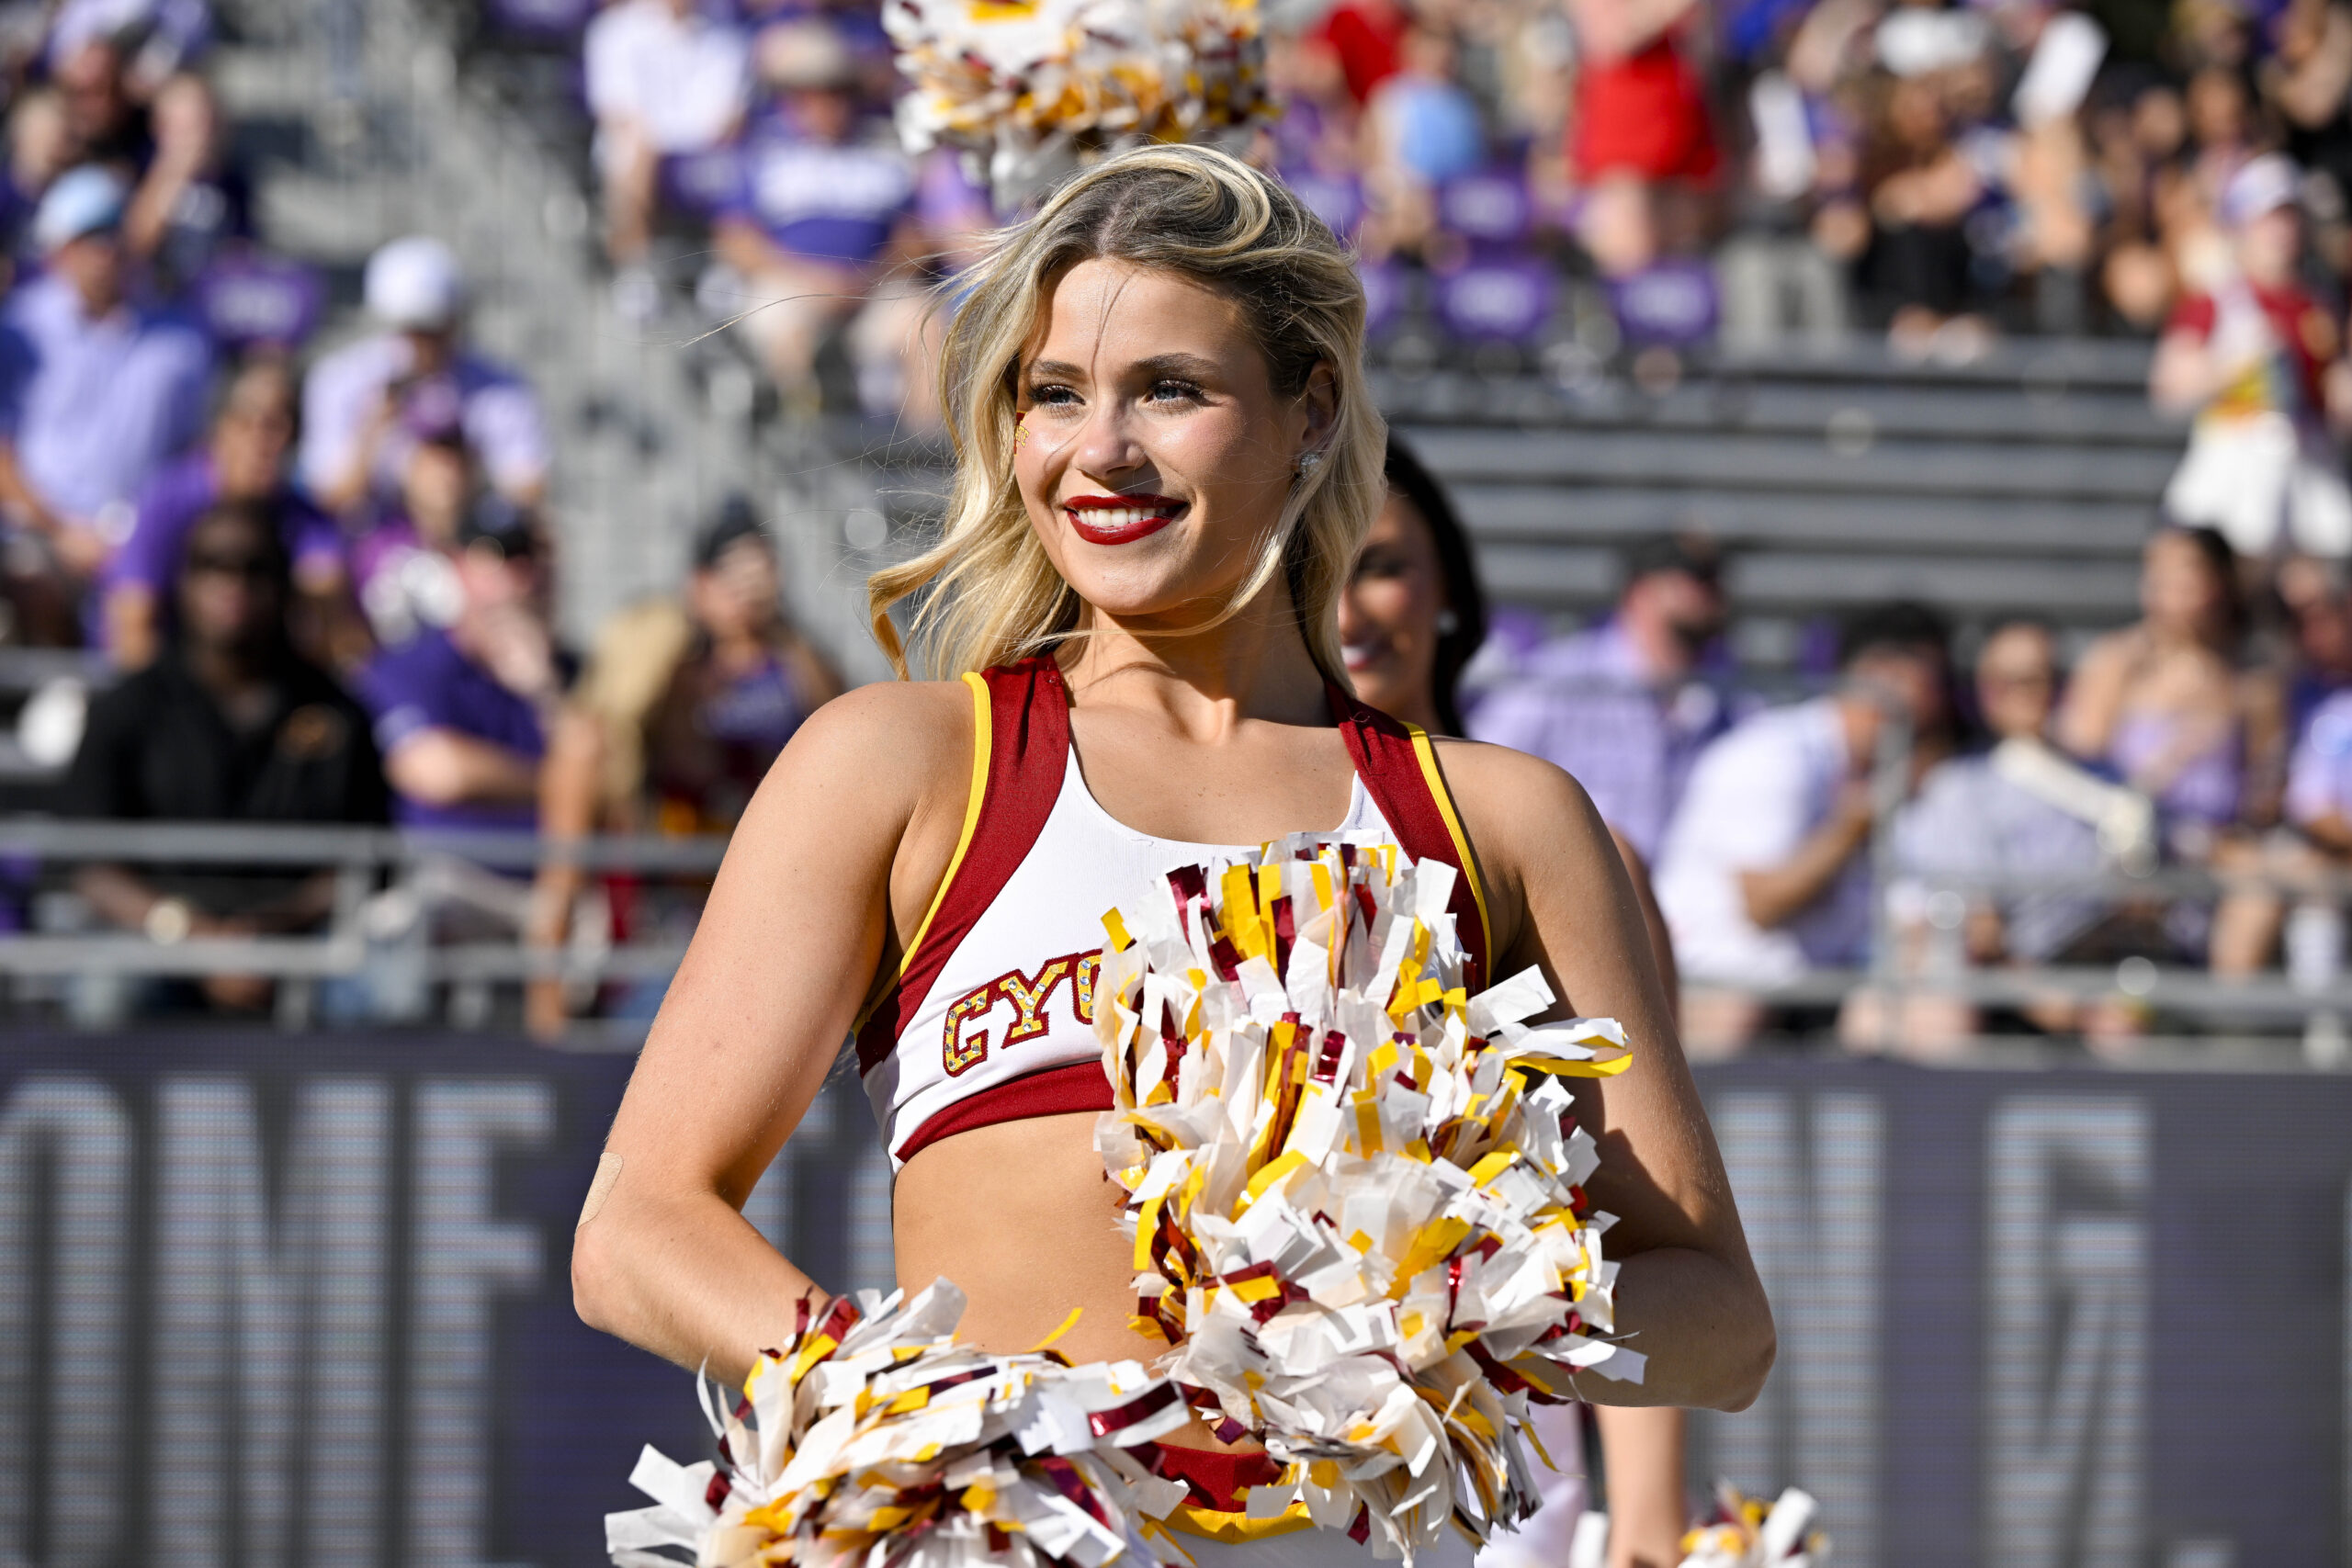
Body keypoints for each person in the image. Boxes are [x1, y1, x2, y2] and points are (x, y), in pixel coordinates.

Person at [572, 146, 1770, 1568]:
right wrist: (908, 1408)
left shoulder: (1498, 820)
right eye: (1054, 393)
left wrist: (1446, 1301)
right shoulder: (906, 764)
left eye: (1171, 390)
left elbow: (1719, 1318)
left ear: (1309, 413)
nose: (1100, 450)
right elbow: (639, 1225)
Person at [1340, 432, 1689, 1568]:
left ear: (1449, 593)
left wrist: (1642, 1525)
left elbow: (1635, 1208)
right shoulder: (1202, 857)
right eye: (1316, 564)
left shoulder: (1562, 852)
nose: (1351, 603)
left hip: (1500, 1456)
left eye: (1383, 563)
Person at [526, 499, 844, 1034]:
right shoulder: (596, 752)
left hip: (734, 950)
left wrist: (778, 625)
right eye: (684, 666)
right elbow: (556, 893)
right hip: (643, 971)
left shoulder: (734, 737)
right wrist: (549, 1030)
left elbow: (834, 723)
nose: (703, 684)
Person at [62, 499, 389, 1013]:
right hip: (157, 935)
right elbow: (86, 864)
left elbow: (366, 861)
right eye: (212, 564)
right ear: (183, 582)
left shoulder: (339, 714)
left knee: (381, 995)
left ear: (283, 585)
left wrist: (261, 937)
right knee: (109, 995)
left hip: (299, 939)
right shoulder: (126, 709)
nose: (232, 584)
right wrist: (193, 937)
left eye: (254, 567)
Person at [1655, 602, 1952, 1053]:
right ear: (1880, 678)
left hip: (1817, 987)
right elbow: (1763, 902)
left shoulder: (1889, 773)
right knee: (1734, 1010)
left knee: (1927, 1012)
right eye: (1925, 687)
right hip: (1708, 982)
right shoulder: (1774, 753)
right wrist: (1852, 827)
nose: (1933, 711)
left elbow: (1911, 916)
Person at [1865, 620, 2138, 1050]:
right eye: (2009, 682)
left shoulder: (2109, 783)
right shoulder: (1959, 788)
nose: (2029, 694)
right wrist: (2041, 994)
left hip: (2101, 966)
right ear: (1985, 693)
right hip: (2005, 987)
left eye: (2040, 678)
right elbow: (1979, 930)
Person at [0, 164, 212, 622]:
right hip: (34, 538)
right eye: (90, 236)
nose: (105, 250)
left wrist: (144, 537)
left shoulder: (182, 339)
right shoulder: (18, 328)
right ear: (59, 250)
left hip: (145, 543)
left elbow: (192, 454)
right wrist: (59, 531)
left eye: (113, 232)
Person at [1468, 535, 1728, 863]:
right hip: (1569, 889)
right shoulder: (1558, 680)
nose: (1715, 592)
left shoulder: (1724, 699)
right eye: (1697, 578)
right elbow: (1480, 772)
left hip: (1678, 904)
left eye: (1716, 578)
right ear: (1641, 590)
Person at [711, 18, 921, 412]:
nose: (826, 103)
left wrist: (862, 279)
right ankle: (805, 446)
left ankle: (929, 461)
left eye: (837, 91)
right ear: (791, 97)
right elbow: (734, 240)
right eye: (812, 92)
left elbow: (916, 237)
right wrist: (811, 280)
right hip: (791, 286)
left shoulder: (886, 147)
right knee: (783, 325)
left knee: (925, 324)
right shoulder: (764, 153)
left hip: (872, 287)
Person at [2154, 152, 2352, 559]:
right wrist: (2237, 363)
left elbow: (2334, 399)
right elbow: (2168, 387)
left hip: (2305, 469)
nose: (2281, 231)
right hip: (2236, 468)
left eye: (2289, 217)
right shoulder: (2214, 300)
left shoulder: (2320, 306)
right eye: (2268, 218)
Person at [101, 356, 352, 670]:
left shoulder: (302, 517)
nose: (266, 441)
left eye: (280, 426)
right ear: (221, 427)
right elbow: (132, 625)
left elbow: (332, 618)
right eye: (251, 423)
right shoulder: (165, 502)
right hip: (168, 681)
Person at [300, 235, 550, 517]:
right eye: (414, 329)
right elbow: (329, 495)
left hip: (467, 542)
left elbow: (528, 488)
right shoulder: (339, 378)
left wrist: (456, 473)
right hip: (371, 543)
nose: (426, 343)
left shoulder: (500, 385)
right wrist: (374, 436)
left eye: (436, 327)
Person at [356, 498, 565, 830]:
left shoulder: (566, 670)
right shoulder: (410, 664)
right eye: (497, 558)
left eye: (527, 559)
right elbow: (434, 771)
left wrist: (544, 693)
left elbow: (612, 780)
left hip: (556, 873)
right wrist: (562, 787)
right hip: (448, 872)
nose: (516, 578)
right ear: (456, 566)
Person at [584, 0, 751, 294]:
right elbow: (619, 113)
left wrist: (678, 139)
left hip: (700, 151)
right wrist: (664, 141)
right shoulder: (615, 30)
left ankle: (726, 270)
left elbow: (725, 121)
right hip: (639, 149)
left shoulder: (726, 37)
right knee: (633, 151)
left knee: (749, 159)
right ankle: (633, 266)